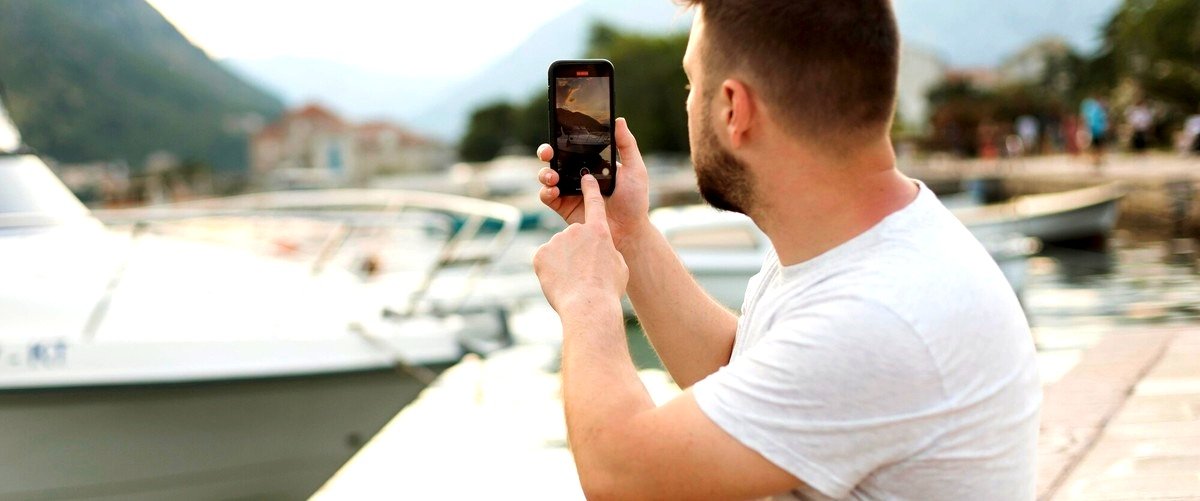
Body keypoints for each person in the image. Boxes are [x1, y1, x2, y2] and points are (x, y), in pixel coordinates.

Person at [531, 1, 1040, 499]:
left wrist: (587, 301)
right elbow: (744, 374)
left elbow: (620, 473)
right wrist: (630, 235)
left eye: (692, 85)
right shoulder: (862, 245)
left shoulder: (880, 315)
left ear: (734, 108)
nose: (688, 103)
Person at [1081, 96, 1109, 166]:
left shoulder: (1095, 110)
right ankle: (1097, 159)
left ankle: (1097, 159)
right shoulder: (1097, 110)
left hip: (1096, 130)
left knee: (1097, 146)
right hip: (1096, 131)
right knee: (1097, 145)